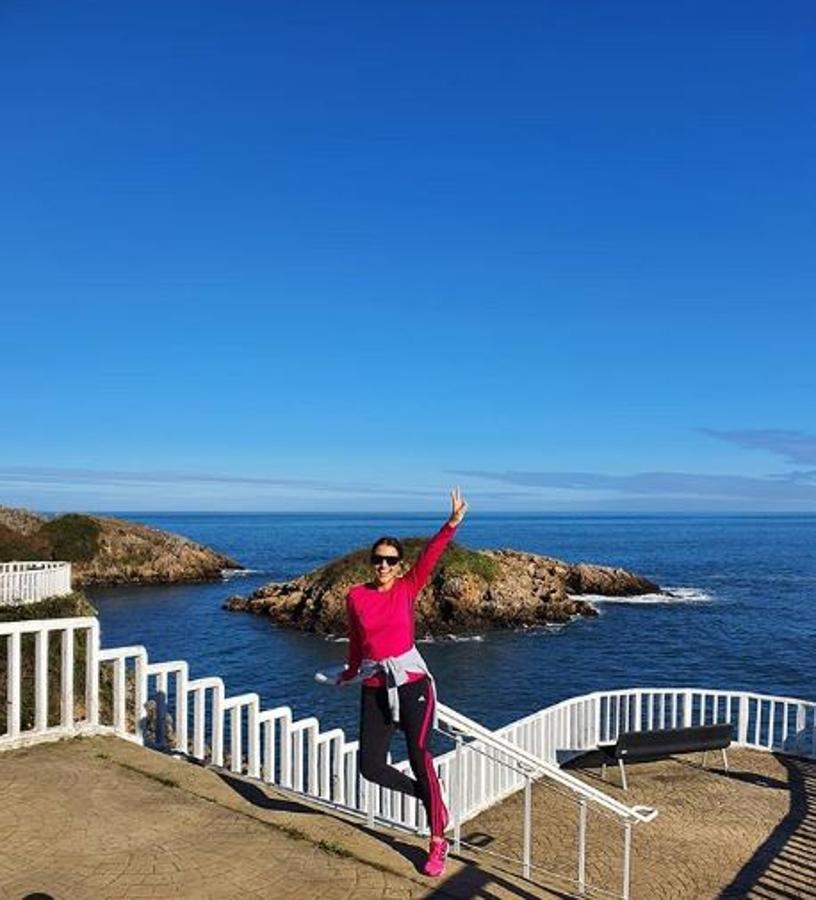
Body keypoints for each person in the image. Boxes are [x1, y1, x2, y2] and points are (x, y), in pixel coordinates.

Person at [338, 487, 468, 878]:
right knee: (370, 766)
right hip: (376, 683)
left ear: (399, 565)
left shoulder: (408, 587)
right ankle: (429, 796)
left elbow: (431, 555)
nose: (382, 566)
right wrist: (349, 671)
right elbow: (357, 641)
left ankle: (437, 841)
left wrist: (451, 524)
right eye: (377, 560)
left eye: (389, 561)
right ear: (371, 563)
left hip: (412, 683)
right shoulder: (356, 596)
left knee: (418, 754)